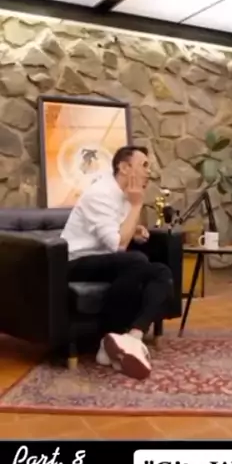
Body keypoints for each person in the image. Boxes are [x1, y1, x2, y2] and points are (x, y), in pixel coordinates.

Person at [61, 145, 174, 380]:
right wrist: (137, 206)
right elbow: (118, 246)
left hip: (103, 258)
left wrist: (134, 230)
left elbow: (117, 233)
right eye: (144, 165)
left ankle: (132, 336)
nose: (149, 171)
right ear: (124, 167)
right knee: (136, 260)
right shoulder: (100, 194)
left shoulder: (124, 195)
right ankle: (108, 336)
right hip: (75, 262)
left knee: (161, 271)